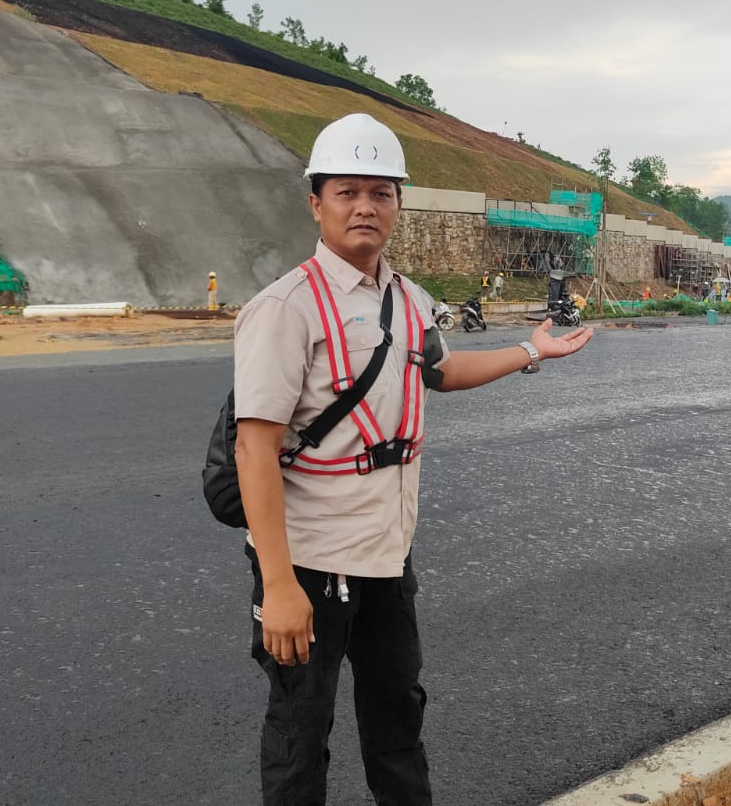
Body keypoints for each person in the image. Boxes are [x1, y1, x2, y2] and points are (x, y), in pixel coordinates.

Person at [232, 113, 594, 805]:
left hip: (387, 557)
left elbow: (441, 371)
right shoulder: (285, 308)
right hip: (310, 562)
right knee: (299, 735)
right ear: (316, 202)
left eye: (381, 191)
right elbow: (255, 448)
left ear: (398, 205)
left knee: (398, 717)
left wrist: (528, 351)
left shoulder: (409, 299)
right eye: (346, 191)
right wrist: (278, 586)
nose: (365, 205)